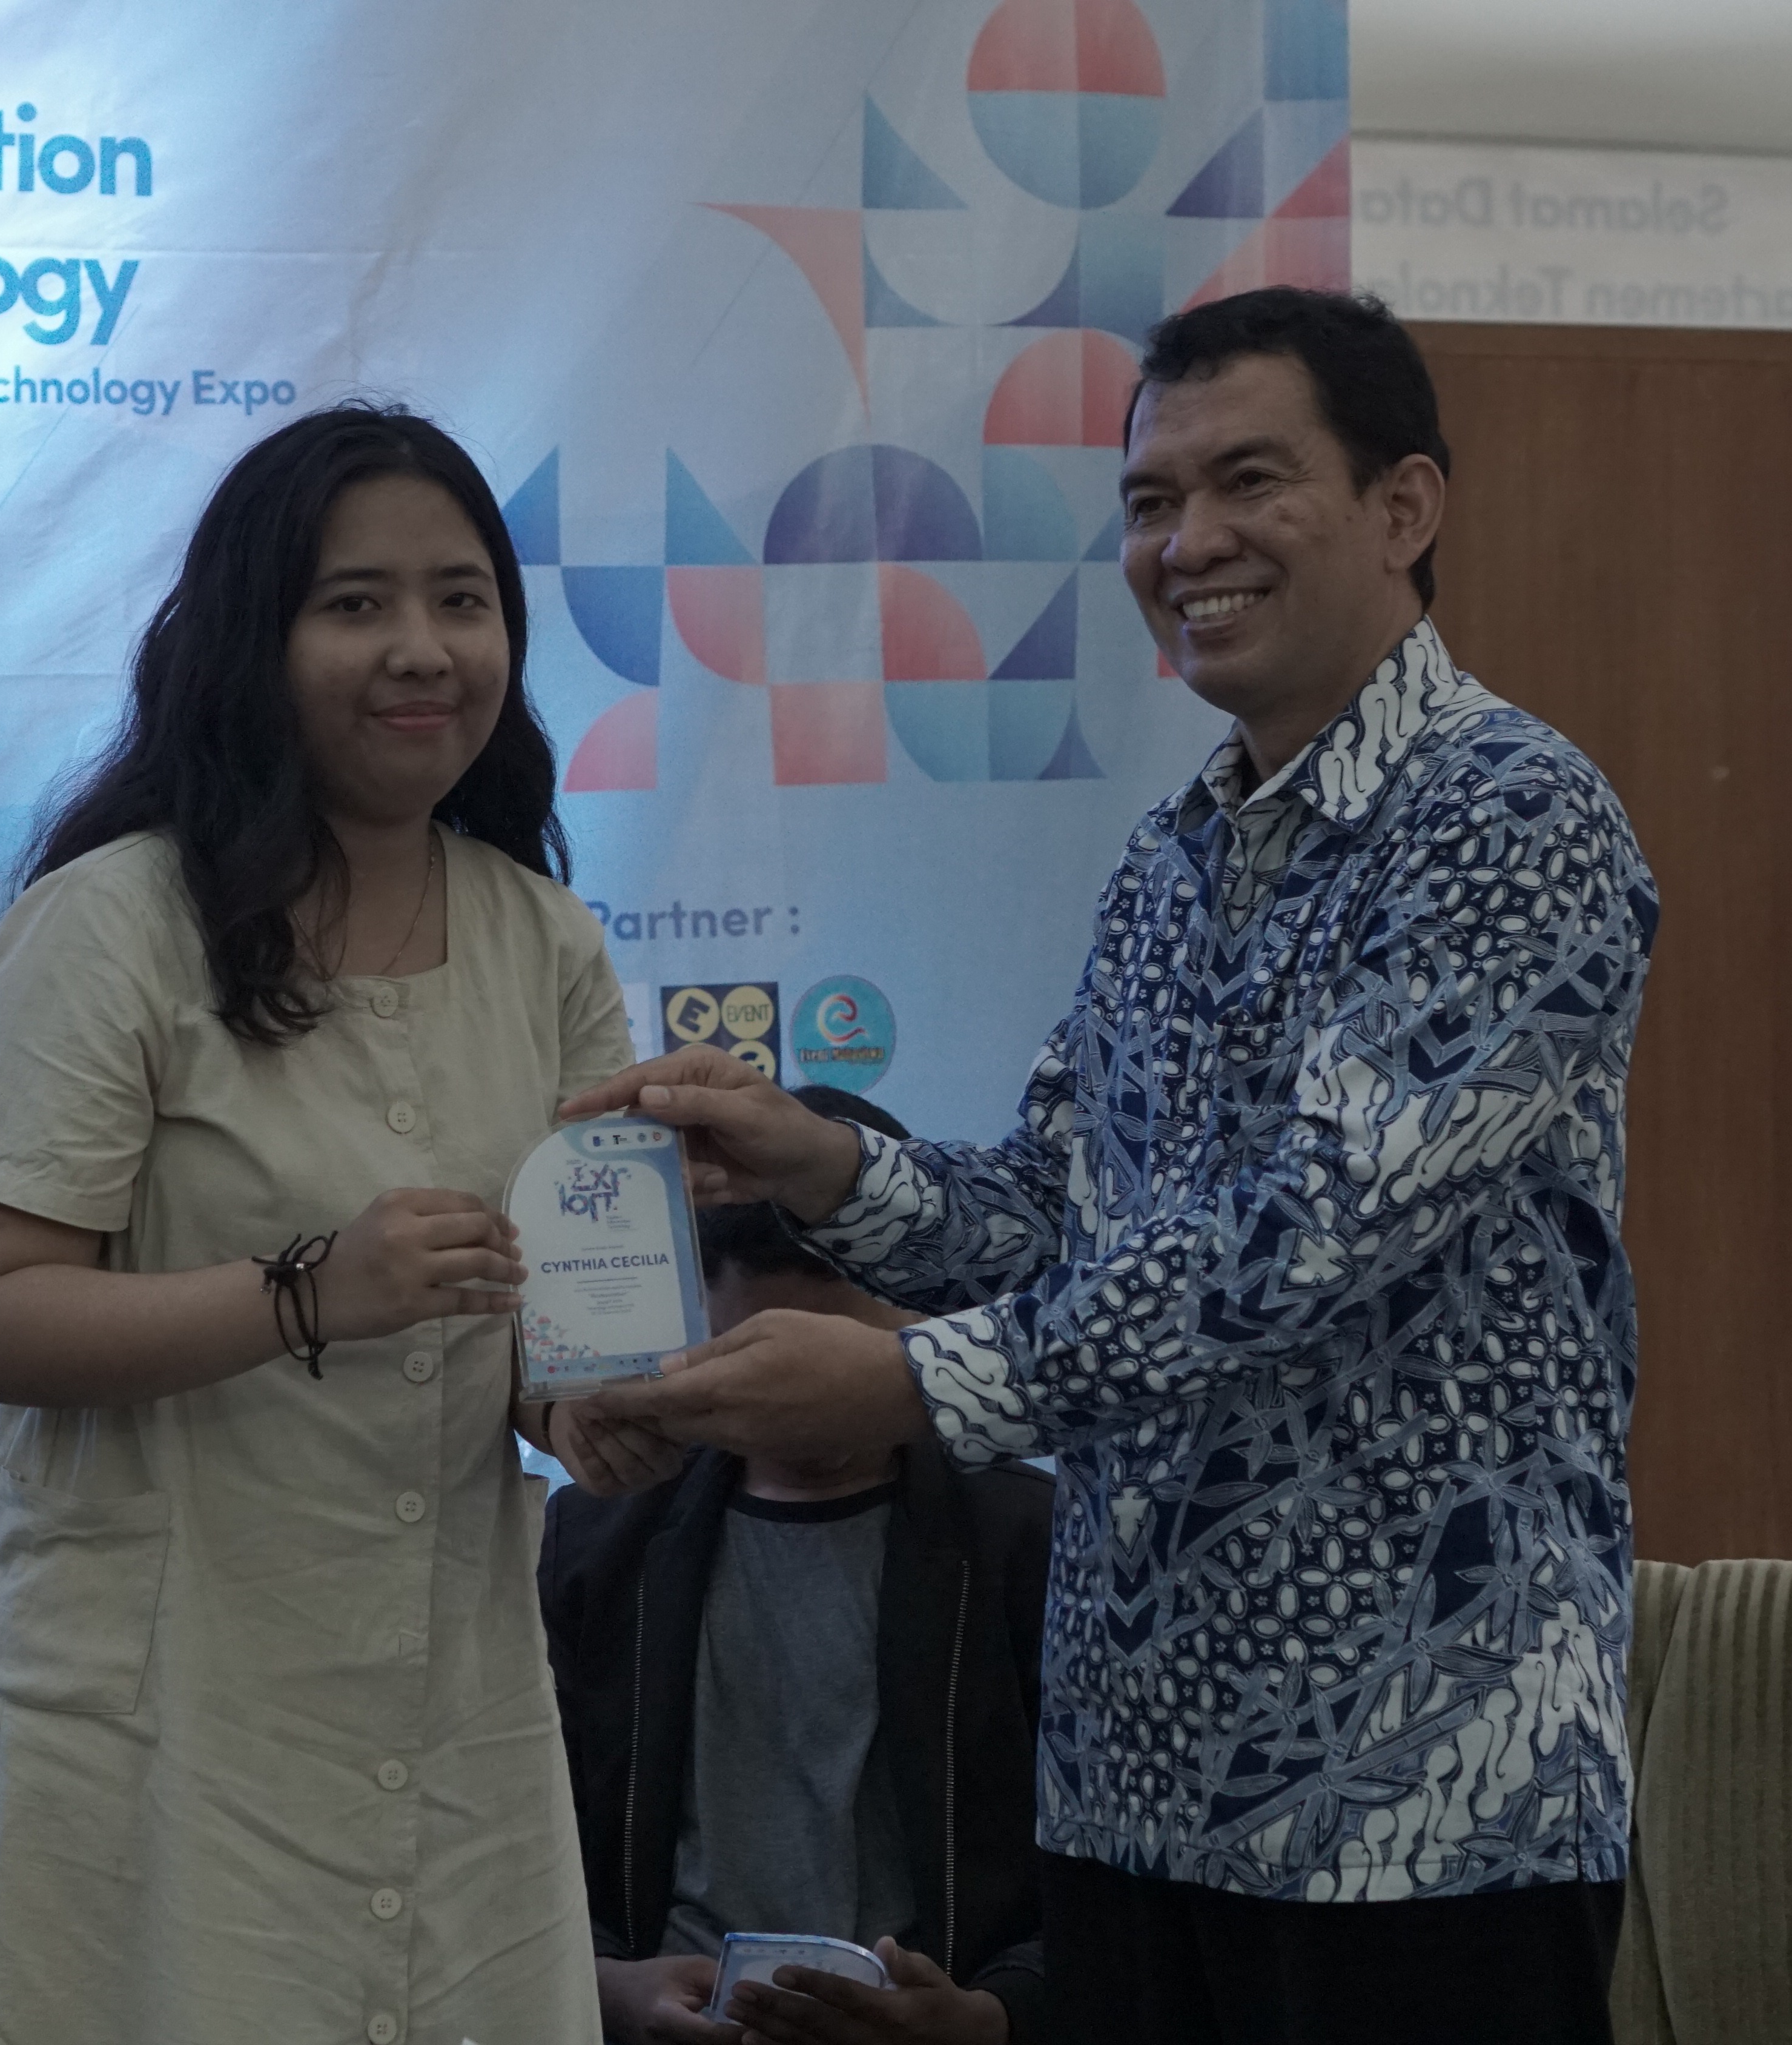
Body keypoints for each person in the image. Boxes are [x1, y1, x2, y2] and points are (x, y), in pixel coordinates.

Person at [560, 288, 1661, 2044]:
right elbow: (1055, 1220)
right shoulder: (1172, 858)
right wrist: (820, 1163)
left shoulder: (1510, 815)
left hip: (1421, 1796)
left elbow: (1306, 1235)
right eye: (1151, 501)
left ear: (1404, 507)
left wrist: (910, 1384)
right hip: (1134, 1788)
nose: (1188, 542)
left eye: (1249, 481)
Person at [0, 402, 646, 2044]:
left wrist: (585, 1408)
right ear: (253, 639)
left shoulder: (546, 939)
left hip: (453, 1699)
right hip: (172, 1714)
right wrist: (313, 1290)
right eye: (355, 603)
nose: (423, 649)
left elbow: (545, 1322)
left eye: (463, 600)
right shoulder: (111, 925)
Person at [540, 1089, 1050, 2045]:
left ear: (926, 1314)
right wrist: (605, 1984)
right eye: (751, 1369)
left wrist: (996, 2014)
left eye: (832, 1372)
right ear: (693, 1322)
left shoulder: (1031, 1542)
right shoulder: (592, 1546)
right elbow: (527, 1834)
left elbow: (1103, 1882)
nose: (794, 1410)